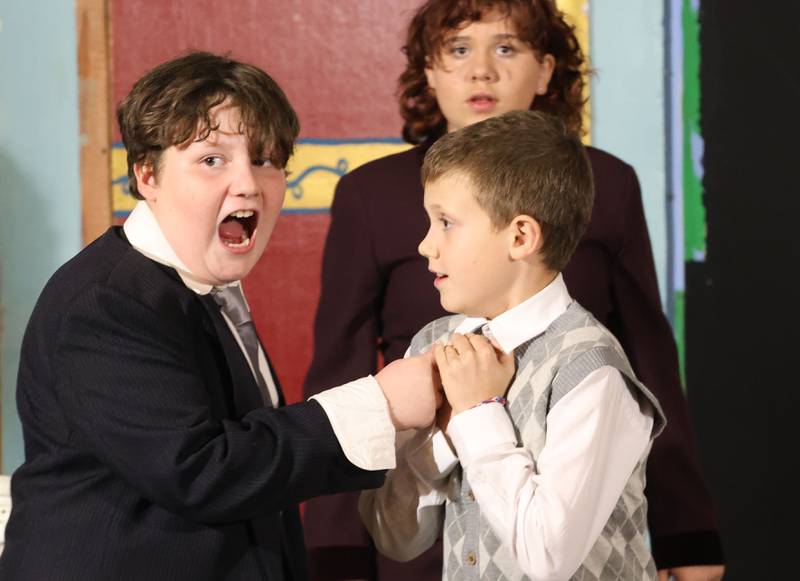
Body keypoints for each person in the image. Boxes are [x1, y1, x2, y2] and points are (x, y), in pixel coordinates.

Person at [302, 1, 724, 580]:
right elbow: (342, 381)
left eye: (506, 48)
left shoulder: (608, 190)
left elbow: (648, 364)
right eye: (458, 49)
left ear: (546, 70)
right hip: (434, 529)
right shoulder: (370, 196)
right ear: (428, 70)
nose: (482, 71)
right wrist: (336, 552)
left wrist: (688, 535)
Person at [0, 51, 442, 581]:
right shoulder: (107, 302)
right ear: (147, 175)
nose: (249, 183)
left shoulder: (204, 287)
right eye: (212, 159)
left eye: (265, 159)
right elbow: (201, 472)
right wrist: (382, 404)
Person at [361, 108, 667, 580]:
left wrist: (479, 412)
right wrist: (440, 439)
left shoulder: (593, 371)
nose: (425, 245)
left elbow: (546, 556)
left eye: (446, 223)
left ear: (521, 236)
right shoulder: (432, 347)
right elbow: (394, 537)